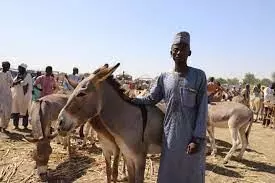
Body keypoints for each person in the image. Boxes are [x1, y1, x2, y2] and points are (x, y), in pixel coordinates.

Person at [132, 31, 207, 183]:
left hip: (191, 136)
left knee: (191, 173)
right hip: (171, 135)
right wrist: (131, 100)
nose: (179, 52)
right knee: (169, 173)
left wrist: (197, 139)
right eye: (176, 49)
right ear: (170, 52)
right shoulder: (164, 77)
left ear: (189, 52)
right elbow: (151, 99)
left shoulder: (199, 76)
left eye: (183, 48)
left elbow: (202, 110)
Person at [11, 63, 33, 130]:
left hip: (24, 96)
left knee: (25, 111)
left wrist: (18, 82)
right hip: (17, 95)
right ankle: (16, 125)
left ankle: (25, 126)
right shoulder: (18, 75)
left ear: (23, 69)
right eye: (18, 68)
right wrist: (17, 81)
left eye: (20, 68)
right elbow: (13, 82)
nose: (18, 69)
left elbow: (25, 84)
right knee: (15, 110)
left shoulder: (28, 75)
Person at [0, 61, 13, 134]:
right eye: (8, 66)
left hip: (8, 95)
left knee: (7, 111)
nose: (9, 67)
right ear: (3, 66)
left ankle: (4, 126)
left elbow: (11, 82)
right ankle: (1, 126)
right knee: (2, 111)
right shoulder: (0, 73)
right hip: (1, 95)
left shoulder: (9, 73)